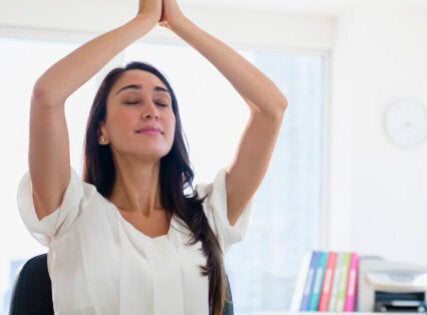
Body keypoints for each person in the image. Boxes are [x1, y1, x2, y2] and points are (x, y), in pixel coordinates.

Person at [17, 0, 287, 314]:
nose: (151, 111)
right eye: (132, 100)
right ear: (100, 129)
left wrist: (180, 23)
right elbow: (47, 95)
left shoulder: (206, 217)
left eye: (162, 102)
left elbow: (271, 108)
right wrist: (144, 20)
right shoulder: (71, 210)